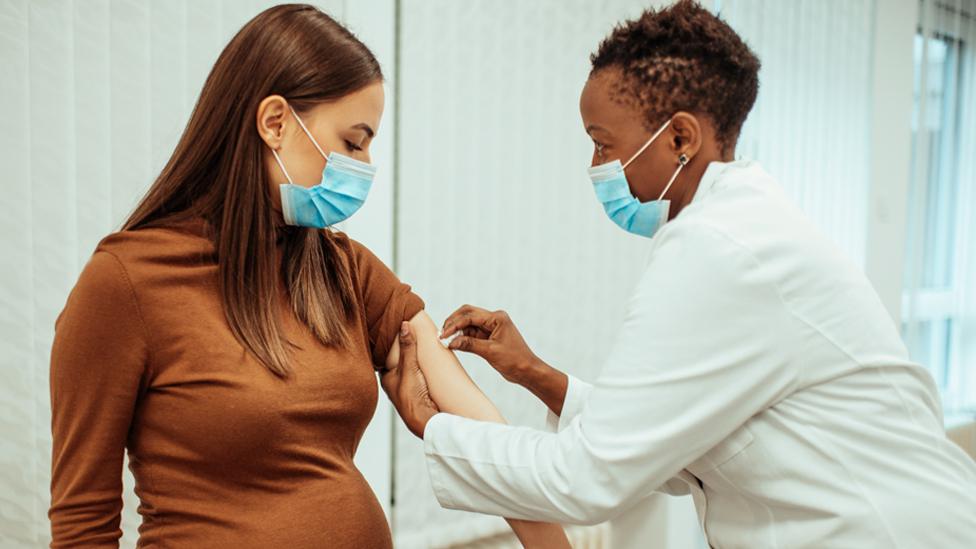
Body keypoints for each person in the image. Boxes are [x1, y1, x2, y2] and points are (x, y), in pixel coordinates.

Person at [381, 1, 976, 547]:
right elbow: (666, 440)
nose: (595, 167)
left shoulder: (718, 249)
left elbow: (588, 479)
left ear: (681, 137)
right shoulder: (741, 231)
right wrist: (536, 375)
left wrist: (431, 426)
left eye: (602, 143)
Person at [48, 5, 569, 548]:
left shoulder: (343, 269)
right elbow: (83, 524)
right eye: (352, 142)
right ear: (275, 122)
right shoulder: (125, 284)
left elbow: (483, 435)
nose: (365, 165)